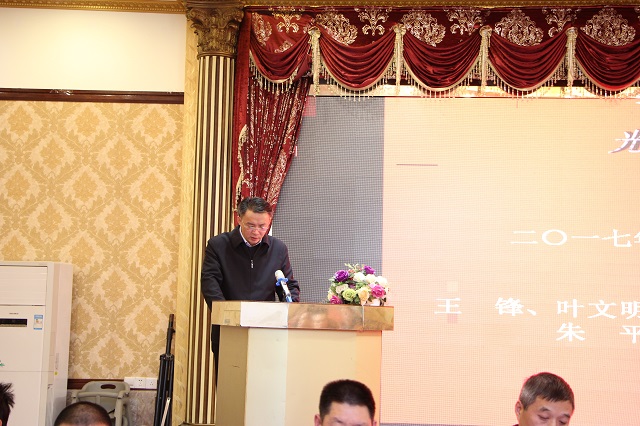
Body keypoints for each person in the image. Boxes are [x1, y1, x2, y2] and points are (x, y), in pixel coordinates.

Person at [201, 196, 300, 369]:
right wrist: (227, 315)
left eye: (262, 226)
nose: (256, 232)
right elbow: (210, 283)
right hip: (228, 329)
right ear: (239, 219)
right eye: (250, 225)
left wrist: (291, 311)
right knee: (230, 381)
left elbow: (288, 285)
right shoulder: (218, 245)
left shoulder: (278, 248)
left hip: (267, 330)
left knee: (265, 380)